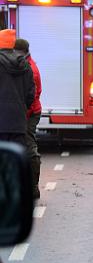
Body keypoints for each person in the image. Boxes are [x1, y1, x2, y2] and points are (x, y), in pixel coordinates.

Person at [0, 28, 35, 166]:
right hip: (18, 123)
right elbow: (30, 95)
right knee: (16, 161)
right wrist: (22, 108)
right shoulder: (26, 65)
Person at [14, 38, 42, 198]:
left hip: (30, 113)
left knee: (29, 146)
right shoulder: (22, 65)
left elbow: (33, 96)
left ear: (22, 52)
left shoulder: (31, 69)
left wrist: (22, 116)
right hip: (24, 111)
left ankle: (33, 186)